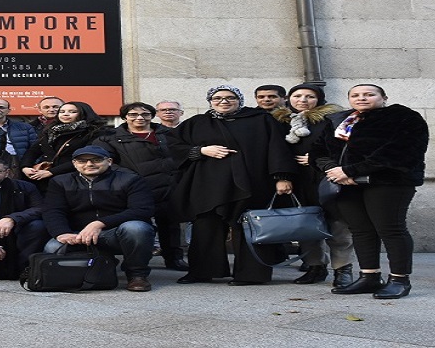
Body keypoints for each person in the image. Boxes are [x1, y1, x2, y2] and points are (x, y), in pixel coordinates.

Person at [168, 85, 297, 285]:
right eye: (217, 98)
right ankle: (202, 271)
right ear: (210, 102)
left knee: (250, 227)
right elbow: (172, 145)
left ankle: (251, 275)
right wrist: (201, 150)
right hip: (209, 184)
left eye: (230, 98)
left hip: (252, 182)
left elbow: (277, 148)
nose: (223, 101)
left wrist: (282, 177)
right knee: (206, 227)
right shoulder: (197, 122)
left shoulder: (261, 120)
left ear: (240, 100)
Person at [312, 84, 428, 299]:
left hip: (388, 182)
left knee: (391, 229)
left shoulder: (403, 117)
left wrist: (350, 170)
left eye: (369, 94)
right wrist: (334, 170)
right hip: (345, 184)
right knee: (361, 230)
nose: (362, 98)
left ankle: (400, 279)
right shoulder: (338, 120)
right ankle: (369, 277)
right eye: (355, 95)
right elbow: (318, 151)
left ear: (384, 97)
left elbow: (400, 152)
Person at [271, 84, 355, 287]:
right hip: (296, 180)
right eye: (297, 96)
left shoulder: (334, 119)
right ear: (288, 99)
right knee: (305, 224)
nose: (303, 100)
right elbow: (275, 150)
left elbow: (347, 146)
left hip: (327, 178)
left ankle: (343, 269)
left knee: (338, 226)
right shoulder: (279, 122)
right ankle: (315, 266)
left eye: (309, 96)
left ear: (319, 100)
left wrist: (316, 158)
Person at [42, 146, 156, 292]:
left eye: (96, 160)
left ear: (109, 161)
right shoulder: (60, 181)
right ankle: (96, 266)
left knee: (137, 228)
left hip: (116, 234)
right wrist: (61, 232)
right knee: (52, 247)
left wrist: (100, 224)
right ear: (74, 164)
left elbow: (142, 210)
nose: (89, 164)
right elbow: (53, 210)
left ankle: (137, 275)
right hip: (79, 235)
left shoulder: (131, 179)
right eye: (82, 161)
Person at [94, 102, 186, 271]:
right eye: (133, 114)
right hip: (134, 188)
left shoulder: (168, 134)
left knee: (170, 225)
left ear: (152, 116)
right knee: (138, 225)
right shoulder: (110, 138)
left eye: (145, 114)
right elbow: (106, 162)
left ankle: (174, 258)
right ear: (125, 117)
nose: (139, 118)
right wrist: (130, 177)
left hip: (169, 185)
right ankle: (137, 262)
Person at [20, 101, 109, 187]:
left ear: (84, 113)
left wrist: (52, 172)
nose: (66, 114)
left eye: (72, 112)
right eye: (62, 112)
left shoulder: (95, 132)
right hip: (44, 178)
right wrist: (26, 167)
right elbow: (33, 151)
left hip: (76, 179)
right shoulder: (51, 131)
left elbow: (90, 157)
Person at [0, 98, 39, 165]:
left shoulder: (25, 128)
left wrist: (28, 166)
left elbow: (35, 150)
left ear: (8, 110)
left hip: (18, 165)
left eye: (1, 107)